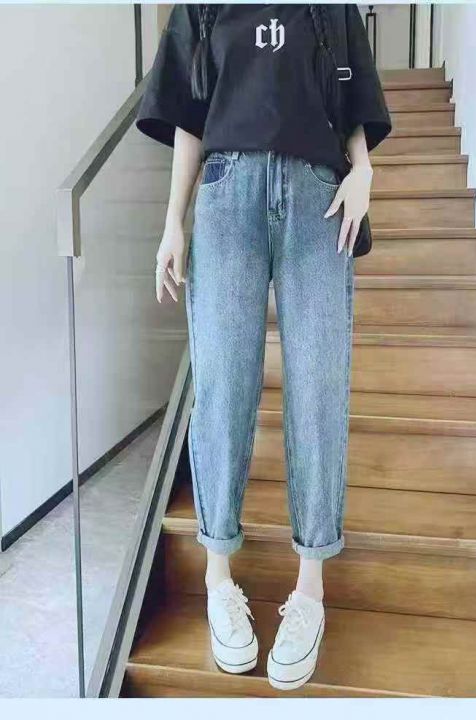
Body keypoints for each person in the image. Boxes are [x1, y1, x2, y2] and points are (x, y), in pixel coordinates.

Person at [136, 3, 391, 691]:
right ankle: (218, 577)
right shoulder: (202, 6)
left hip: (319, 196)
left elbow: (351, 93)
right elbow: (189, 114)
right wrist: (172, 221)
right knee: (222, 386)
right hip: (227, 194)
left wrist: (363, 169)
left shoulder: (332, 7)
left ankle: (310, 590)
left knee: (317, 387)